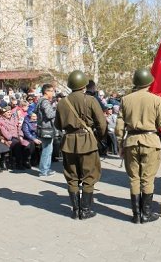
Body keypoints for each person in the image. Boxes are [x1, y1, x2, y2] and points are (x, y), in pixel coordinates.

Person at [115, 68, 161, 224]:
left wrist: (120, 143)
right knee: (147, 179)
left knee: (134, 179)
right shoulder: (156, 100)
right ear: (149, 83)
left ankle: (136, 215)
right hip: (151, 141)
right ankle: (146, 214)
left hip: (131, 141)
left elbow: (119, 127)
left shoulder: (125, 99)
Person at [55, 70, 106, 220]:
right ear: (84, 85)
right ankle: (85, 210)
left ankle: (75, 210)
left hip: (68, 142)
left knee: (72, 177)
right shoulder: (90, 100)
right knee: (89, 175)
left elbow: (58, 125)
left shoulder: (62, 102)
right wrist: (99, 137)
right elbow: (102, 123)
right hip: (88, 142)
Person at [35, 84, 56, 177]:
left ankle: (46, 168)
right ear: (46, 92)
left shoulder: (40, 101)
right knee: (47, 150)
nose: (53, 93)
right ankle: (44, 170)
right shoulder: (45, 102)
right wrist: (57, 109)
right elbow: (50, 115)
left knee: (48, 149)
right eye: (51, 91)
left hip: (42, 127)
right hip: (46, 128)